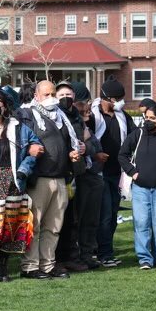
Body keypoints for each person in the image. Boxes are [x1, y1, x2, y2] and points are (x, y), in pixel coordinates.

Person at [18, 80, 82, 279]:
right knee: (35, 225)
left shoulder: (61, 117)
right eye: (46, 94)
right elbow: (18, 139)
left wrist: (72, 153)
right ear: (36, 95)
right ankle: (30, 266)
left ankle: (47, 264)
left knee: (53, 227)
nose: (51, 97)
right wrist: (27, 148)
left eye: (53, 93)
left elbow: (67, 141)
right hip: (39, 179)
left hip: (61, 178)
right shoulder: (27, 115)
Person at [0, 89, 41, 282]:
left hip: (13, 181)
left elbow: (36, 149)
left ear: (5, 105)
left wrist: (24, 170)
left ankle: (3, 268)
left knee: (9, 224)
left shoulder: (19, 128)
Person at [88, 76, 135, 267]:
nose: (121, 102)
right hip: (98, 172)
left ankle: (103, 248)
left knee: (113, 213)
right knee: (105, 214)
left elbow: (134, 136)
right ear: (108, 99)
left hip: (118, 173)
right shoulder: (92, 116)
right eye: (118, 98)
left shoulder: (123, 116)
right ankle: (104, 253)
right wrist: (95, 153)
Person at [54, 81, 100, 272]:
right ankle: (56, 259)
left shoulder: (77, 118)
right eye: (61, 95)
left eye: (69, 95)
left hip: (78, 173)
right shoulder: (52, 117)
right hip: (58, 173)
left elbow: (92, 144)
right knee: (58, 220)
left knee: (75, 219)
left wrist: (84, 148)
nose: (66, 99)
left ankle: (73, 256)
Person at [118, 104, 156, 269]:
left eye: (152, 118)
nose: (148, 120)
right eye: (146, 117)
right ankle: (145, 259)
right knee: (141, 223)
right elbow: (122, 155)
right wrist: (132, 172)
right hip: (140, 188)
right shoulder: (137, 134)